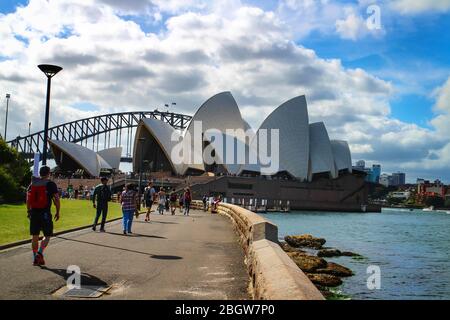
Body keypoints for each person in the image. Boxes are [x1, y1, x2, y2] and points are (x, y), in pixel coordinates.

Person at [27, 166, 60, 266]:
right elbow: (57, 199)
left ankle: (35, 258)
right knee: (47, 235)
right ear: (48, 173)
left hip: (34, 212)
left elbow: (28, 199)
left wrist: (28, 211)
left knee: (34, 236)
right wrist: (58, 211)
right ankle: (40, 253)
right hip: (45, 213)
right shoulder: (50, 184)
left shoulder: (32, 183)